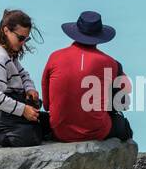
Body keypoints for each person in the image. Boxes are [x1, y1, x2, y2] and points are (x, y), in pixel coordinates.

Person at [40, 10, 134, 143]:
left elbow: (47, 105)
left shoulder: (55, 57)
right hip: (97, 131)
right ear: (99, 36)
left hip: (59, 131)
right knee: (124, 127)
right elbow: (124, 95)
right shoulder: (110, 63)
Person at [0, 8, 49, 147]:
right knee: (32, 136)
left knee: (47, 123)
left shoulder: (7, 51)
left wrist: (30, 88)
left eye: (26, 38)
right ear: (6, 31)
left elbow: (23, 74)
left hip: (9, 104)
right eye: (20, 38)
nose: (23, 42)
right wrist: (23, 110)